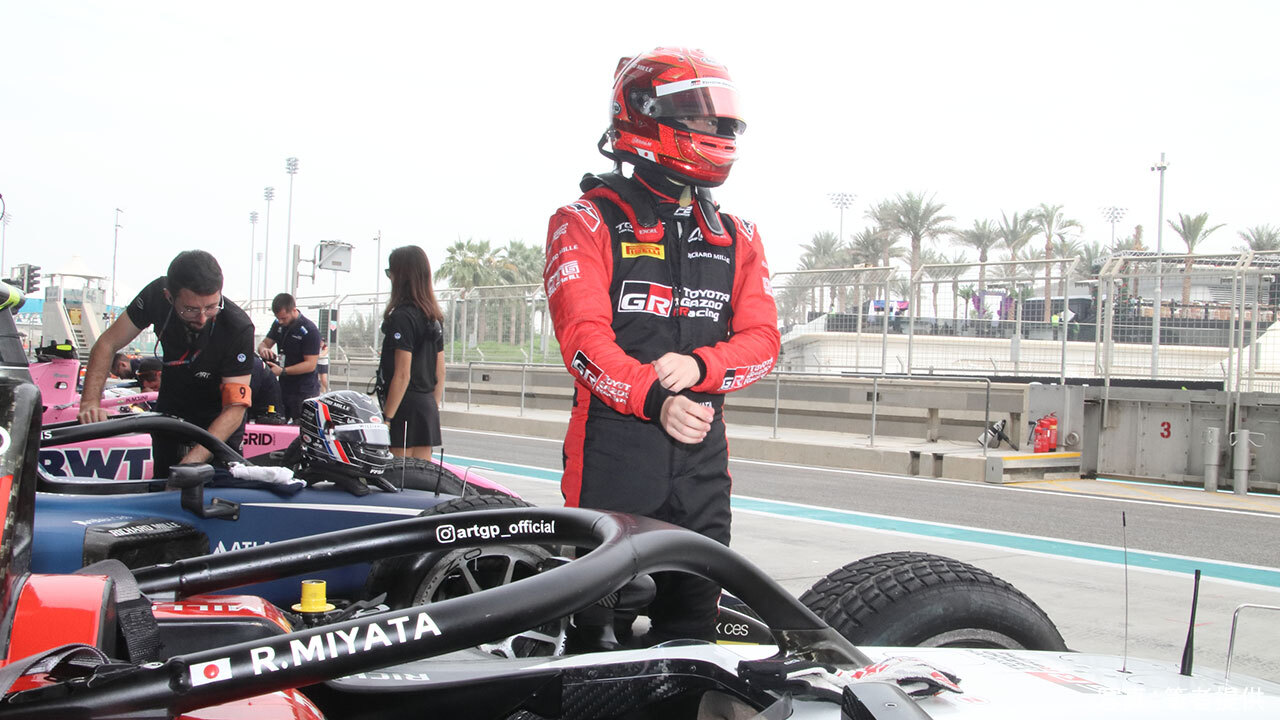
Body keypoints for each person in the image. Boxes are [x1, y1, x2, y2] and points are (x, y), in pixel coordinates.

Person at [543, 47, 779, 649]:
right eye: (698, 115)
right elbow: (583, 342)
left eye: (721, 117)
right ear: (645, 114)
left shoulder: (738, 235)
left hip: (703, 467)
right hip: (613, 456)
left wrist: (702, 366)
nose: (715, 128)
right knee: (596, 641)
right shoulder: (584, 220)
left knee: (693, 636)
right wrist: (655, 397)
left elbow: (763, 342)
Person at [78, 250, 254, 477]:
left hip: (219, 419)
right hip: (172, 409)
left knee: (205, 482)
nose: (202, 317)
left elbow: (235, 408)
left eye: (211, 307)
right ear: (169, 297)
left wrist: (191, 463)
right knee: (164, 482)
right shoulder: (155, 296)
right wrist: (90, 402)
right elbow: (107, 344)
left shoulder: (238, 327)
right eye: (190, 309)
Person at [377, 246, 445, 459]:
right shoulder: (433, 318)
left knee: (397, 474)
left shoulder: (402, 317)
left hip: (403, 405)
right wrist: (431, 407)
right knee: (422, 476)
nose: (390, 278)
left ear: (401, 276)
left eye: (391, 272)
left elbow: (402, 374)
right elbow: (440, 373)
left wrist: (387, 419)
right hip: (427, 405)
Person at [256, 293, 321, 422]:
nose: (281, 321)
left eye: (284, 318)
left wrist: (283, 371)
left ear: (293, 310)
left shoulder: (309, 330)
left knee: (300, 425)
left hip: (304, 390)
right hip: (284, 387)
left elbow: (310, 364)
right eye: (278, 318)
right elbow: (264, 344)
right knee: (277, 421)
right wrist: (264, 350)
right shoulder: (278, 324)